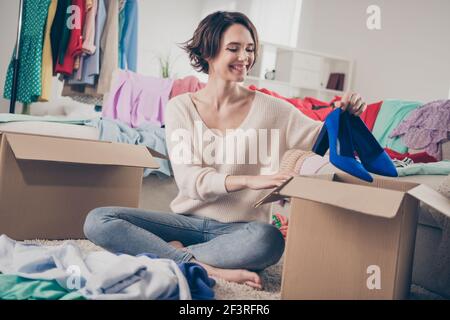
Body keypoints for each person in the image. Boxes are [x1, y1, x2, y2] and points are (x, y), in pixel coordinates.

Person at [84, 11, 367, 290]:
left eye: (250, 49)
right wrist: (249, 180)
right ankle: (202, 266)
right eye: (234, 48)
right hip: (185, 223)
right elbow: (189, 181)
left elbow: (324, 138)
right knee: (99, 220)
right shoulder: (181, 107)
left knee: (269, 240)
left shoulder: (274, 109)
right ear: (208, 52)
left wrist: (348, 114)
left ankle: (171, 256)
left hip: (240, 230)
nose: (244, 57)